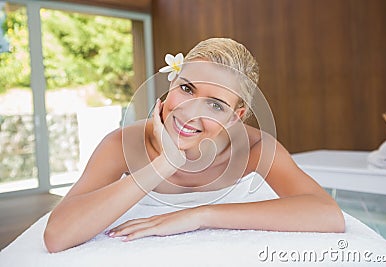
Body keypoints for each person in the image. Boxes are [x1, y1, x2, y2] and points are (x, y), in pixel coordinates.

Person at [44, 38, 345, 253]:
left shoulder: (255, 149)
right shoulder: (122, 143)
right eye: (187, 89)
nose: (191, 112)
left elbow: (328, 215)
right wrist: (163, 164)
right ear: (172, 85)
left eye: (215, 105)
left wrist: (200, 215)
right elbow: (57, 236)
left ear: (235, 116)